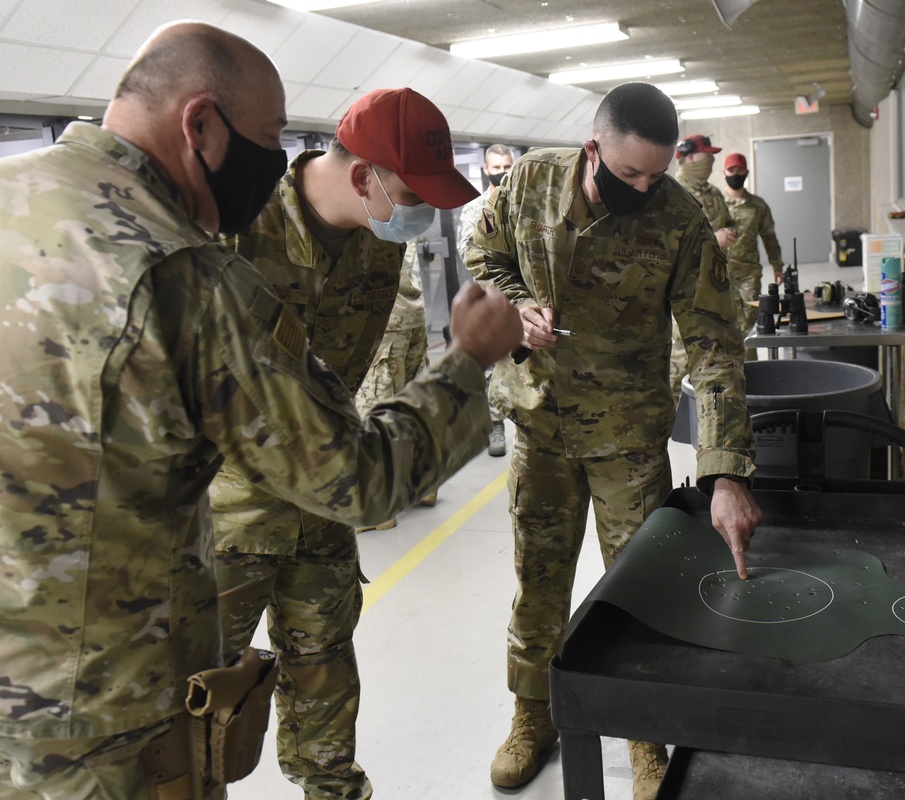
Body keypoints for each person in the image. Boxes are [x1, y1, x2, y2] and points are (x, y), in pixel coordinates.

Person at [0, 22, 521, 799]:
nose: (274, 156)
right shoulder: (194, 267)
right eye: (269, 135)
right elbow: (358, 476)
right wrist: (468, 360)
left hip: (40, 662)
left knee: (319, 700)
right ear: (199, 123)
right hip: (127, 670)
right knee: (213, 709)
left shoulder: (20, 198)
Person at [466, 82, 762, 800]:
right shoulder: (533, 179)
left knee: (638, 590)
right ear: (593, 147)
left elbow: (713, 345)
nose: (645, 187)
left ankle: (644, 735)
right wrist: (515, 307)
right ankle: (530, 716)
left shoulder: (681, 220)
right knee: (539, 584)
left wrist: (725, 471)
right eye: (630, 173)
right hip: (538, 422)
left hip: (627, 432)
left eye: (657, 174)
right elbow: (484, 254)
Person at [209, 87, 480, 800]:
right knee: (199, 712)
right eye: (413, 195)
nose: (422, 217)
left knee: (326, 690)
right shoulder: (235, 234)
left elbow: (340, 384)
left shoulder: (372, 248)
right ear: (365, 178)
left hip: (324, 508)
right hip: (227, 521)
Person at [354, 237, 436, 526]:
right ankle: (423, 485)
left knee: (376, 408)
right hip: (413, 314)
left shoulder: (363, 223)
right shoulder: (399, 220)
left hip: (385, 322)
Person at [669, 133, 738, 401]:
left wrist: (729, 232)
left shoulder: (714, 193)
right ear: (687, 158)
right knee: (681, 360)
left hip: (716, 287)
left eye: (711, 156)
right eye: (705, 155)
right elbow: (670, 247)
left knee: (717, 358)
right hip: (686, 294)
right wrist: (713, 241)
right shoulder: (674, 194)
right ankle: (674, 422)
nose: (709, 160)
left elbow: (728, 221)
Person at [457, 143, 515, 457]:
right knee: (493, 367)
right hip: (493, 298)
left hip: (525, 298)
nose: (502, 174)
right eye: (497, 169)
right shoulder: (476, 209)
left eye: (507, 168)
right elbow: (469, 255)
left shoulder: (524, 204)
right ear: (485, 170)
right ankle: (494, 426)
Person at [722, 151, 784, 352]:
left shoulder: (758, 205)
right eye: (731, 170)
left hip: (749, 274)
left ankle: (749, 373)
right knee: (722, 324)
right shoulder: (716, 204)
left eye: (739, 170)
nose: (735, 174)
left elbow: (769, 237)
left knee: (748, 325)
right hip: (719, 273)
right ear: (724, 172)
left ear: (746, 172)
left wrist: (777, 266)